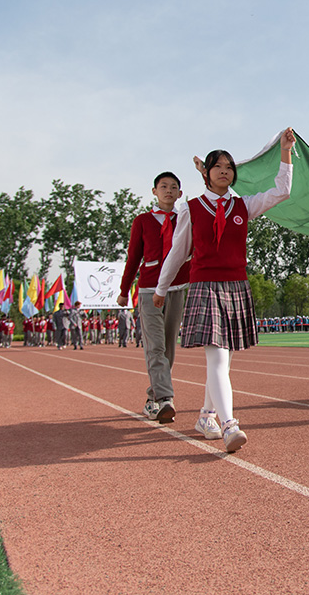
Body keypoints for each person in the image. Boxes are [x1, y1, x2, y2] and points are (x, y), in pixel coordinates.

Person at [155, 127, 295, 453]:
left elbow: (282, 191)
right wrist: (162, 287)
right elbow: (178, 252)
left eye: (229, 167)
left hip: (236, 286)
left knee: (224, 363)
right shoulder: (192, 208)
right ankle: (230, 424)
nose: (224, 171)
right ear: (206, 172)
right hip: (205, 286)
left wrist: (285, 152)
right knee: (217, 361)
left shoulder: (243, 206)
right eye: (217, 166)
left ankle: (206, 415)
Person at [119, 171, 191, 424]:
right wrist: (124, 289)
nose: (168, 191)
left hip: (177, 287)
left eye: (173, 187)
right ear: (154, 192)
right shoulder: (142, 221)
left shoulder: (186, 218)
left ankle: (153, 399)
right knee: (155, 346)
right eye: (163, 186)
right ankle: (165, 399)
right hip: (149, 289)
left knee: (169, 347)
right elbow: (133, 256)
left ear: (180, 194)